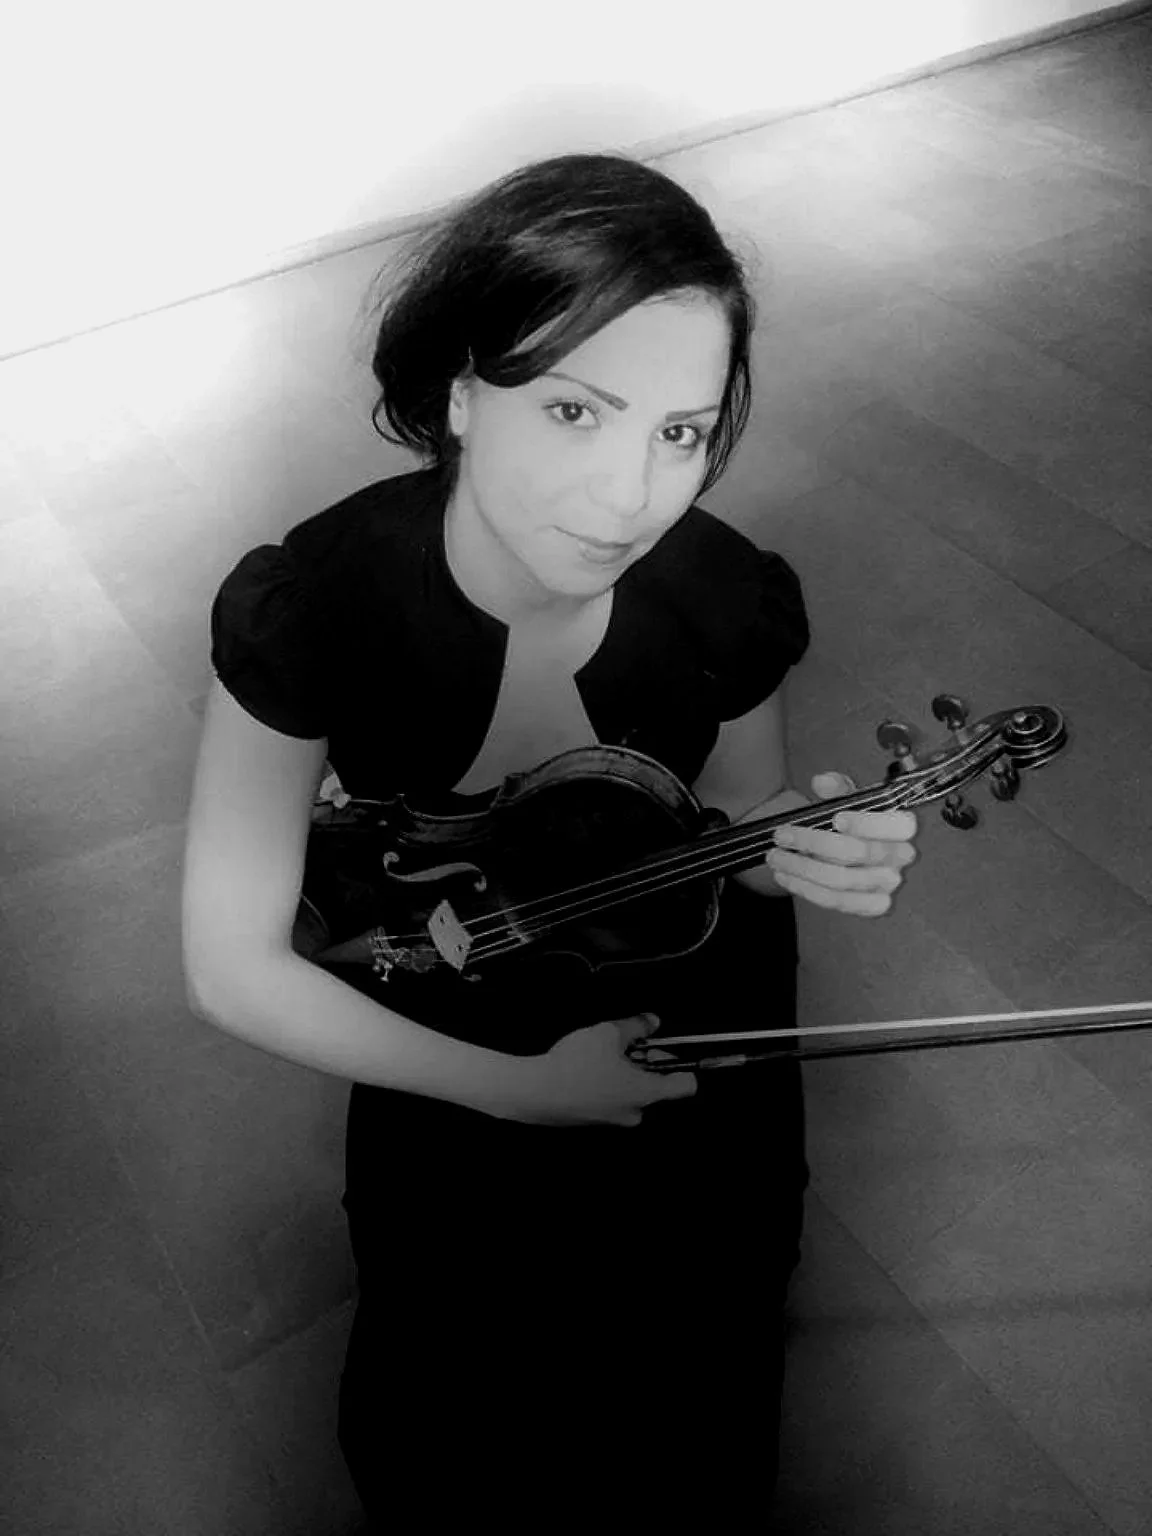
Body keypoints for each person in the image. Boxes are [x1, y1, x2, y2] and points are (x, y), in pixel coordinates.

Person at [181, 152, 918, 1529]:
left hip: (681, 1013)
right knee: (464, 1391)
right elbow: (231, 966)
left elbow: (730, 830)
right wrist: (515, 1092)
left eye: (682, 434)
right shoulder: (315, 610)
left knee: (698, 1364)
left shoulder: (717, 597)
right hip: (448, 1040)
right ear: (462, 394)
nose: (630, 496)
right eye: (575, 410)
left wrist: (794, 848)